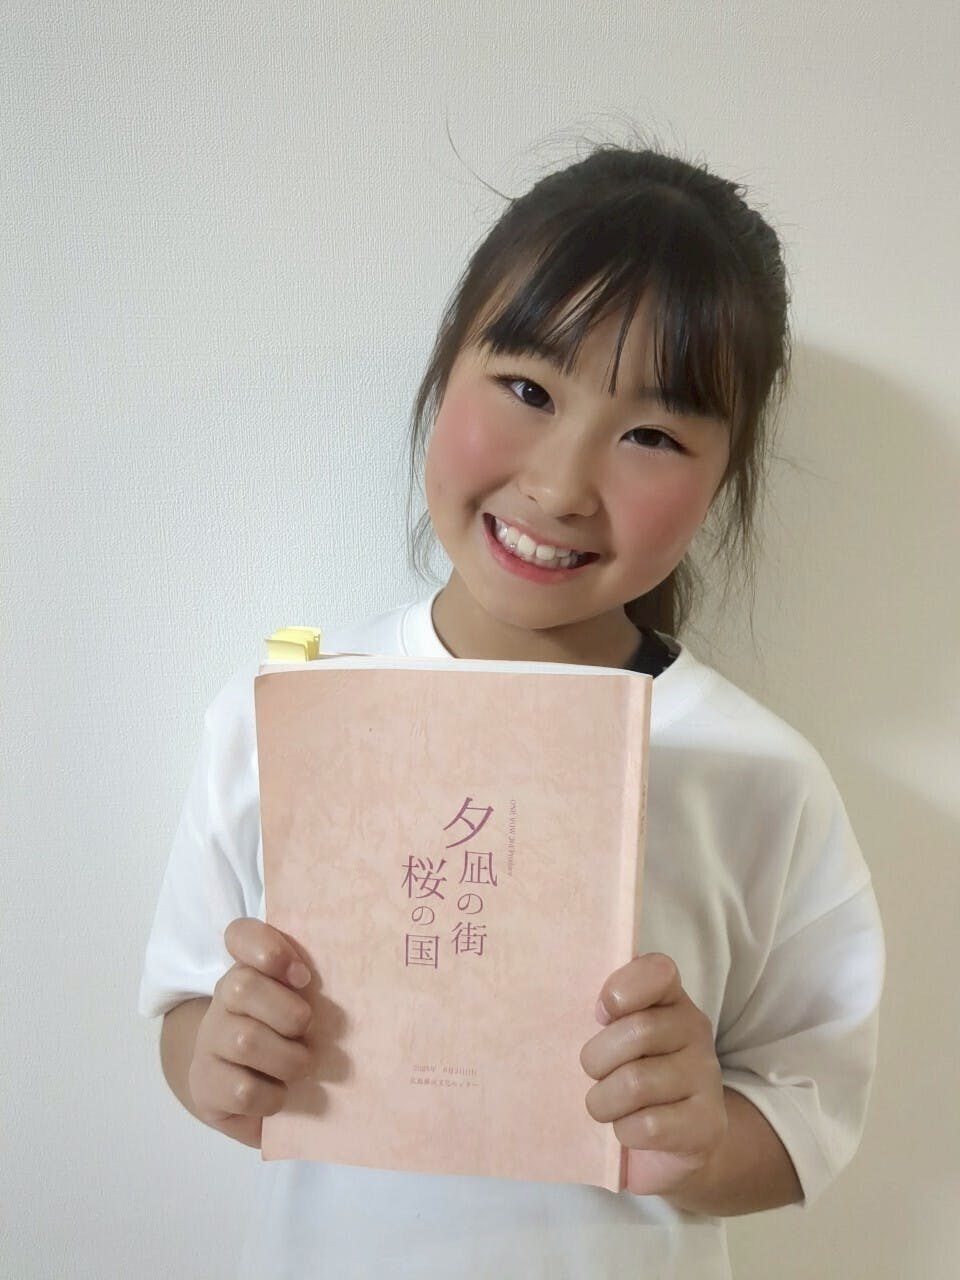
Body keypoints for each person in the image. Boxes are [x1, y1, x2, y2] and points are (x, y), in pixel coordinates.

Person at [140, 145, 884, 1279]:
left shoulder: (756, 774)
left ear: (723, 478)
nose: (560, 485)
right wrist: (221, 1055)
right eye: (529, 390)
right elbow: (187, 1009)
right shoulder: (283, 719)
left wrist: (695, 1135)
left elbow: (806, 1121)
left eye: (652, 435)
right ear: (447, 368)